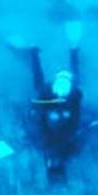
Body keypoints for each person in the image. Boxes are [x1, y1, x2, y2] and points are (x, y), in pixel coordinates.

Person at [20, 22, 85, 177]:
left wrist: (71, 127)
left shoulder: (74, 93)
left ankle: (73, 48)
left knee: (75, 75)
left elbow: (76, 114)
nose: (62, 98)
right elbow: (40, 118)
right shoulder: (46, 92)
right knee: (38, 80)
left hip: (60, 120)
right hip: (50, 113)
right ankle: (34, 52)